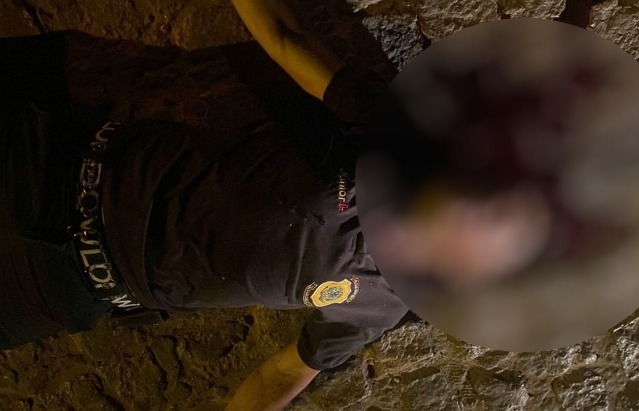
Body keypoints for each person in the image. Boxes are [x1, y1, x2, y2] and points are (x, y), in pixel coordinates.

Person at [1, 1, 598, 409]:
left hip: (59, 291)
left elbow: (283, 373)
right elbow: (287, 41)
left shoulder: (383, 305)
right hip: (47, 168)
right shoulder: (391, 138)